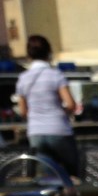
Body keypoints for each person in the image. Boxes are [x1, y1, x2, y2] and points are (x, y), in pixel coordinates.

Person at [15, 35, 79, 176]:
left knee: (47, 177)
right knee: (72, 175)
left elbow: (23, 111)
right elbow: (70, 104)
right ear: (49, 52)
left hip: (36, 132)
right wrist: (60, 111)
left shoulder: (23, 78)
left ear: (29, 54)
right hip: (58, 129)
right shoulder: (56, 75)